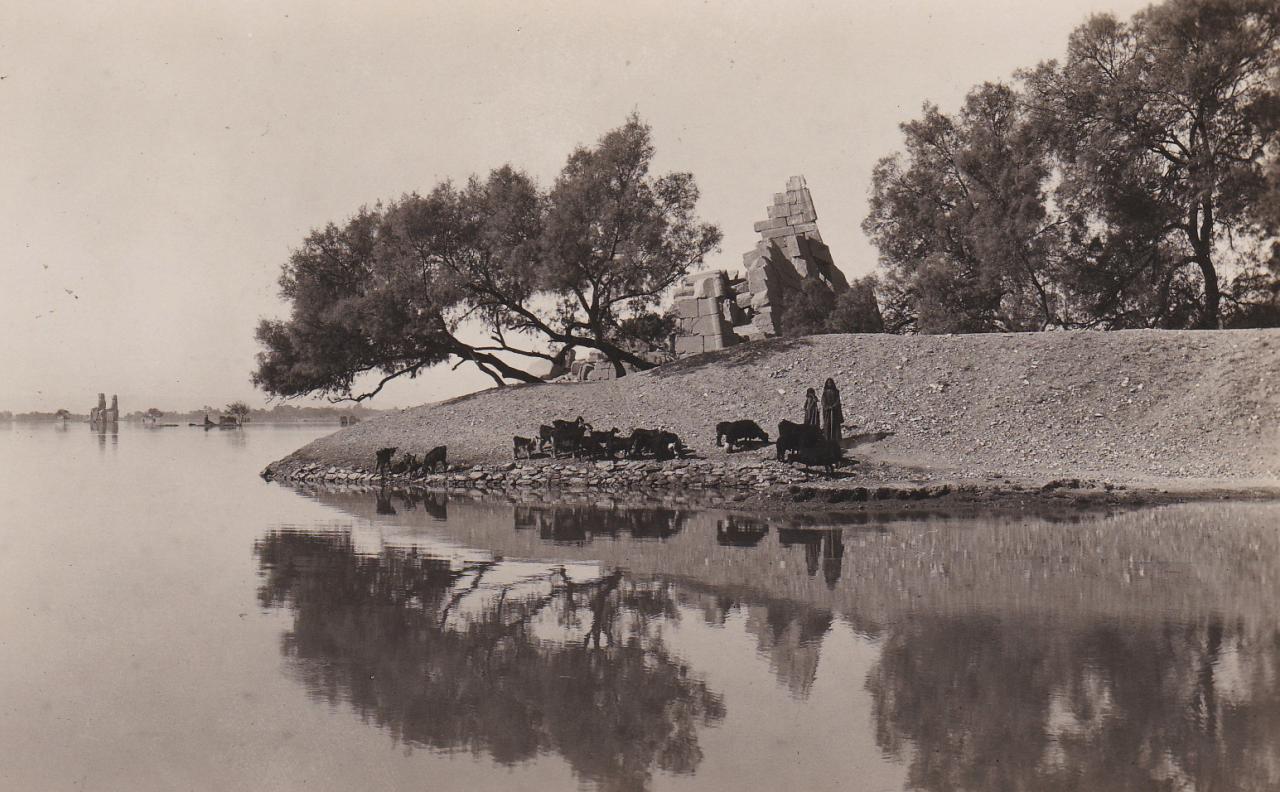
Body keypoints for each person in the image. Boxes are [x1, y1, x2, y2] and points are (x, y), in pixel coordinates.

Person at [821, 378, 843, 460]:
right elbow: (823, 401)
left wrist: (833, 406)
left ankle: (835, 442)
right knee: (827, 426)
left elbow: (838, 401)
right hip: (827, 413)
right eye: (828, 383)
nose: (829, 384)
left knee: (835, 427)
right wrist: (827, 407)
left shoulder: (836, 392)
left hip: (834, 412)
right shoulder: (825, 392)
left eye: (831, 383)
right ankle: (827, 441)